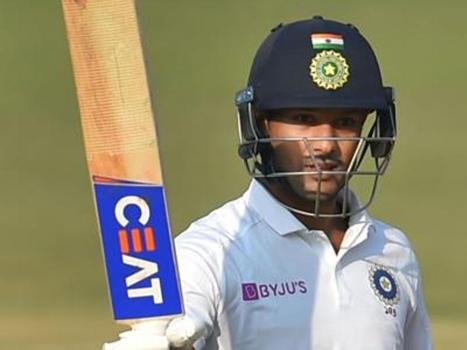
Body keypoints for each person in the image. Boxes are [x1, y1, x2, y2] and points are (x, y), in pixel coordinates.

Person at [104, 16, 432, 350]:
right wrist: (156, 336)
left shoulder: (393, 251)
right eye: (303, 120)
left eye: (346, 122)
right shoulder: (211, 252)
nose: (326, 144)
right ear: (259, 127)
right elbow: (179, 314)